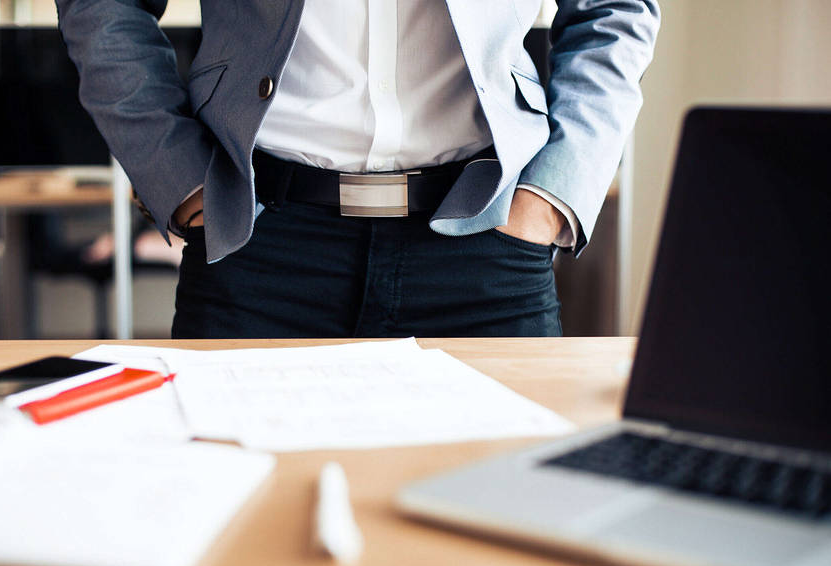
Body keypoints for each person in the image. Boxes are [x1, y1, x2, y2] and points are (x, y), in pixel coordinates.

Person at [55, 0, 660, 338]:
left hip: (488, 243)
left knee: (500, 531)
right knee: (240, 534)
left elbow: (614, 11)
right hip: (256, 245)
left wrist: (550, 200)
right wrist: (183, 182)